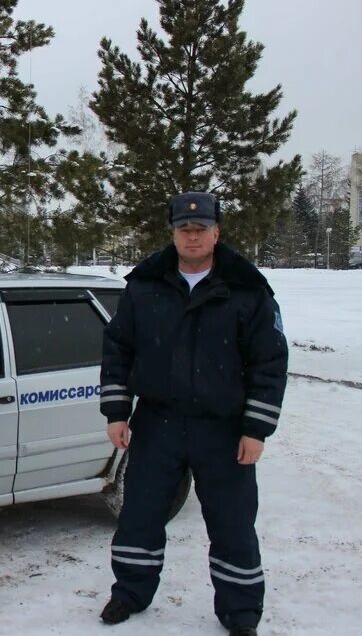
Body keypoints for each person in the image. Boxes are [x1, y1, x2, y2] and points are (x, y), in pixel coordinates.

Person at [98, 192, 288, 636]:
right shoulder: (145, 287)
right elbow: (117, 350)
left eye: (201, 228)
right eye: (185, 228)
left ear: (216, 233)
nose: (193, 235)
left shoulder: (246, 290)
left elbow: (269, 363)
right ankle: (129, 592)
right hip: (157, 423)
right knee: (140, 515)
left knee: (232, 523)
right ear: (174, 233)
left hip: (223, 429)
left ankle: (240, 612)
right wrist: (116, 411)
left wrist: (256, 429)